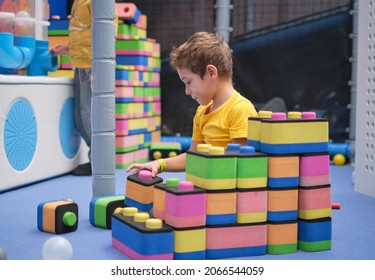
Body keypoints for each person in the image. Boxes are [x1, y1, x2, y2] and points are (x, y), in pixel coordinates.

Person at [126, 31, 258, 177]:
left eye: (189, 82)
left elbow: (243, 166)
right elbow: (193, 156)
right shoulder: (202, 112)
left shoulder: (240, 110)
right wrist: (159, 164)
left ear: (211, 73)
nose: (187, 91)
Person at [51, 0, 118, 176]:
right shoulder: (78, 2)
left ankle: (99, 160)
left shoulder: (96, 2)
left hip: (92, 66)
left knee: (89, 115)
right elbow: (83, 33)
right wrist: (68, 48)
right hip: (80, 65)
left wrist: (99, 66)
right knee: (80, 117)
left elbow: (108, 33)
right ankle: (96, 157)